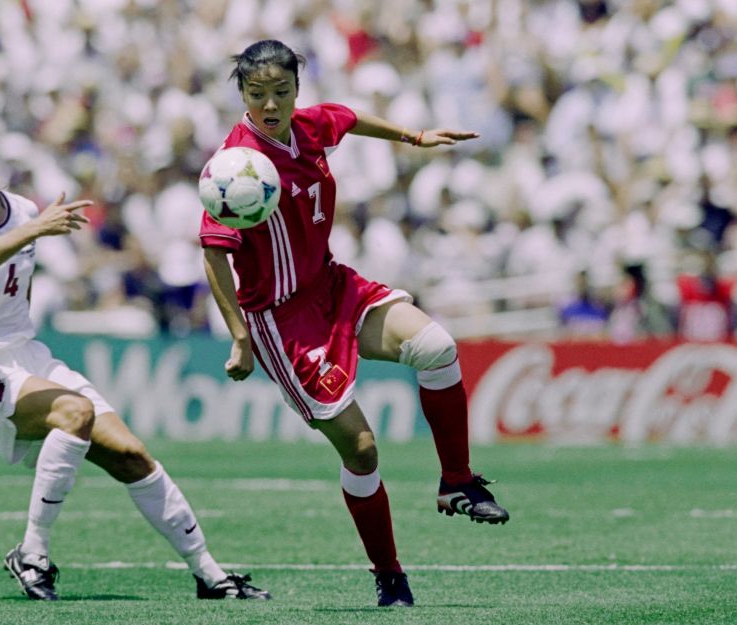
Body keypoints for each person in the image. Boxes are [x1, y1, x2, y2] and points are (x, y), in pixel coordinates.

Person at [198, 40, 510, 609]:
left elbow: (346, 117)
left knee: (436, 347)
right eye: (257, 93)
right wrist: (241, 338)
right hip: (282, 322)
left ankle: (457, 480)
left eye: (282, 91)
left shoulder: (310, 125)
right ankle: (390, 576)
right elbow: (213, 251)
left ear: (297, 89)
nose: (271, 104)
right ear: (241, 93)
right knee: (362, 452)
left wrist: (414, 138)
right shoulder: (236, 164)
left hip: (333, 287)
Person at [0, 115, 269, 602]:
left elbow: (24, 285)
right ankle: (33, 553)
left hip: (28, 356)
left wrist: (45, 233)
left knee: (132, 455)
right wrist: (34, 229)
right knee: (75, 412)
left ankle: (210, 575)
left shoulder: (21, 209)